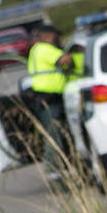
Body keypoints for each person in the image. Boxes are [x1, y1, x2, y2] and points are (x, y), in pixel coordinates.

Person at [26, 23, 76, 180]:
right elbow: (66, 60)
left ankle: (60, 167)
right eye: (56, 36)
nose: (58, 38)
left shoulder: (36, 50)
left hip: (45, 98)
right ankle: (54, 171)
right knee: (54, 134)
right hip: (49, 99)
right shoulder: (45, 49)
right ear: (47, 36)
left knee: (55, 132)